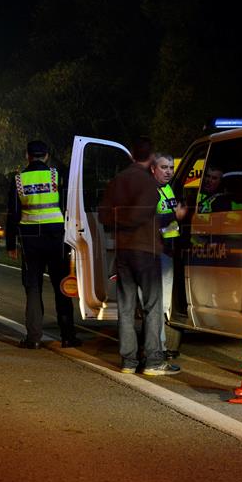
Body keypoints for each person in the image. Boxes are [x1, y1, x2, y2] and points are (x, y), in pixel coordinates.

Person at [99, 137, 180, 376]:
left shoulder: (117, 181)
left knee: (125, 308)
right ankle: (154, 361)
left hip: (123, 252)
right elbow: (145, 212)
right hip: (146, 250)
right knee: (152, 307)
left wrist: (120, 221)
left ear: (132, 154)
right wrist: (132, 220)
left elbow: (104, 216)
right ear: (151, 158)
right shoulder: (148, 184)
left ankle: (129, 361)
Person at [6, 140, 80, 349]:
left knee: (33, 287)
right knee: (61, 287)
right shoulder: (56, 176)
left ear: (27, 156)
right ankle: (67, 336)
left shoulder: (18, 179)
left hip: (30, 239)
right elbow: (67, 207)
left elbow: (13, 214)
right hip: (56, 237)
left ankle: (33, 338)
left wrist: (10, 244)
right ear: (47, 156)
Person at [151, 153, 188, 358]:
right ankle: (158, 348)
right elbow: (152, 220)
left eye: (171, 167)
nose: (169, 172)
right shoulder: (151, 191)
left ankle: (159, 346)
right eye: (164, 167)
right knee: (159, 303)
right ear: (153, 169)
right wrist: (176, 215)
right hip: (158, 252)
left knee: (164, 304)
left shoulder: (168, 189)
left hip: (169, 251)